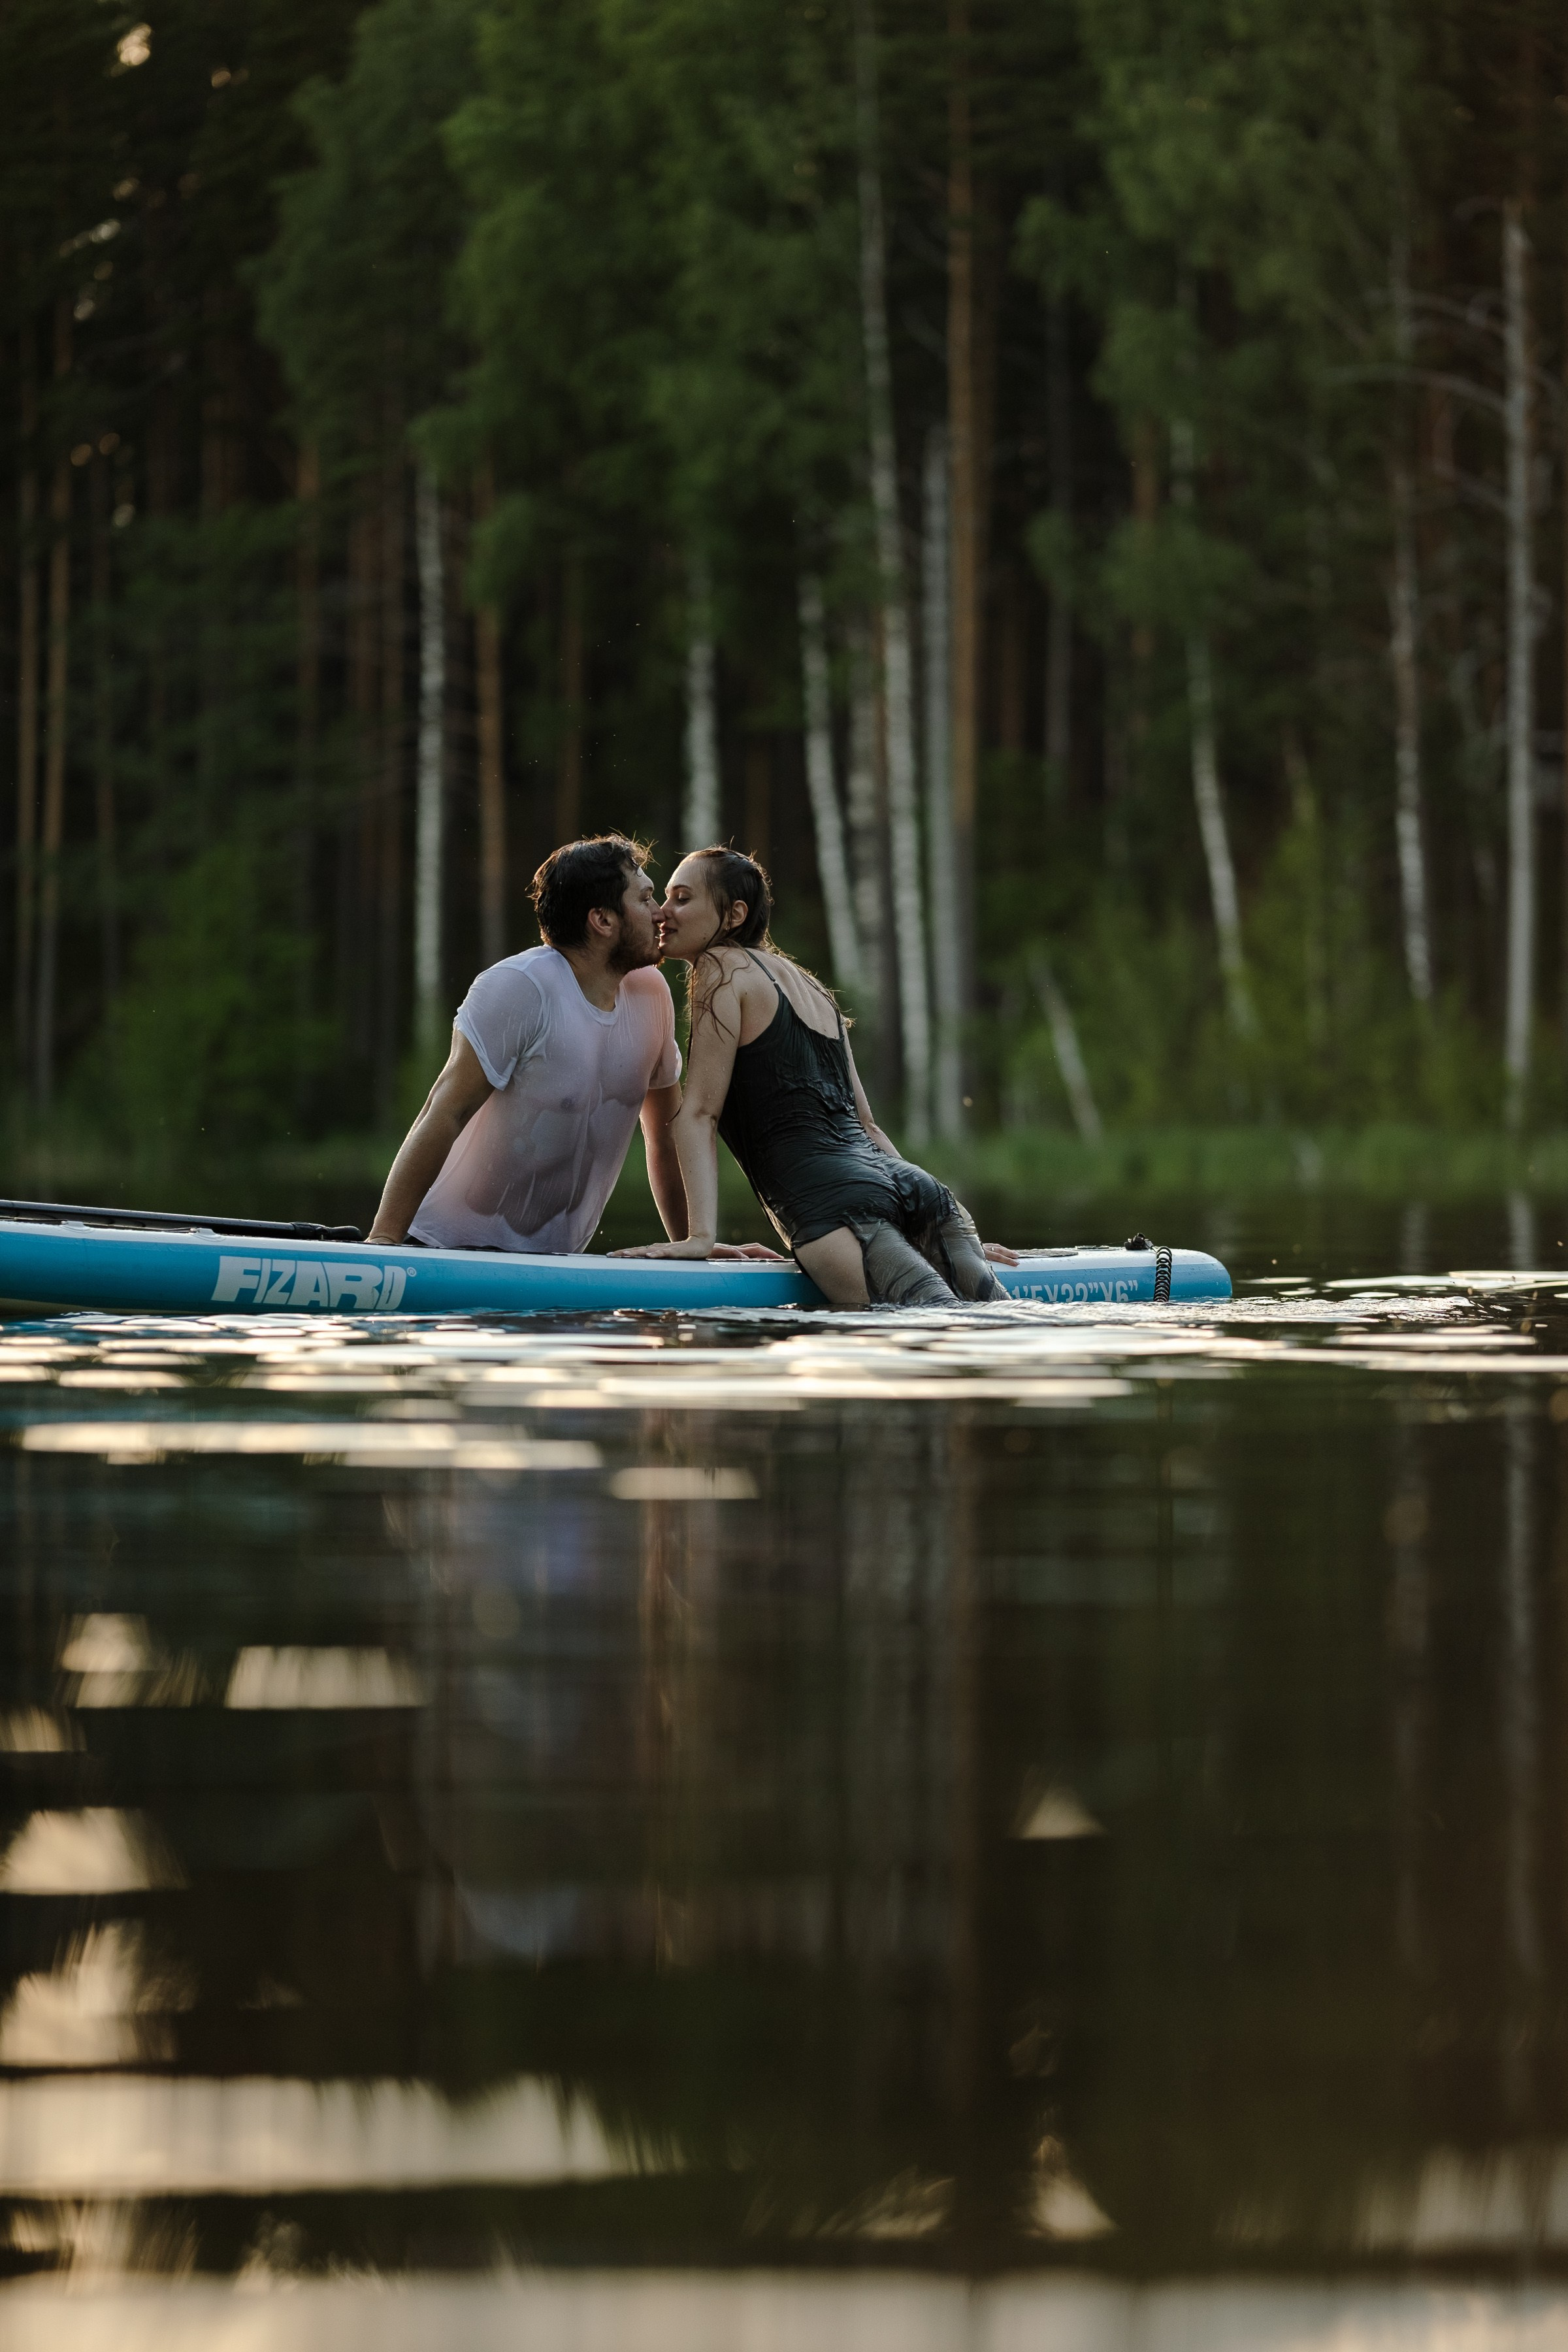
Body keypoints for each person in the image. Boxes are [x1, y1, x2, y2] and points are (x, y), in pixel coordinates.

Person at [617, 846, 1017, 1305]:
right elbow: (867, 1126)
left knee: (929, 1328)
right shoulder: (813, 988)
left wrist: (700, 1238)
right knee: (991, 1321)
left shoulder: (720, 968)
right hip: (917, 1191)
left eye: (682, 899)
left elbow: (699, 1114)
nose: (663, 914)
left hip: (835, 1210)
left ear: (734, 915)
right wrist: (926, 1236)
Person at [367, 834, 774, 1259]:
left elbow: (666, 1139)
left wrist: (694, 1246)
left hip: (558, 1268)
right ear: (603, 921)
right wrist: (383, 1249)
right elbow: (443, 1114)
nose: (661, 915)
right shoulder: (519, 988)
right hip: (441, 1252)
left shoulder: (652, 994)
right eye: (646, 899)